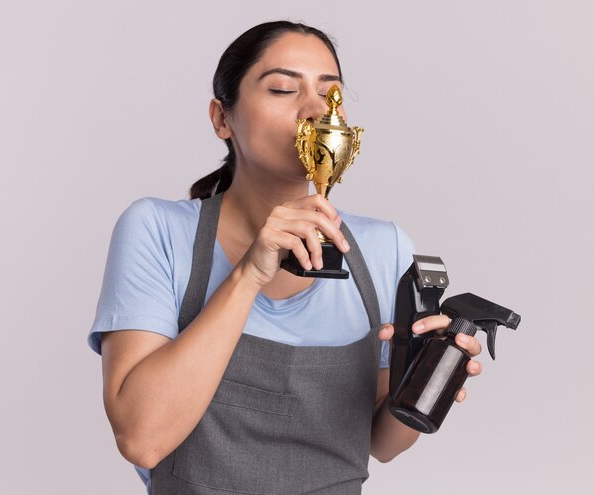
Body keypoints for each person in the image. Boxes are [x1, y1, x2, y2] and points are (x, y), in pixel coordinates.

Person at [88, 20, 483, 494]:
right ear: (221, 118)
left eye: (331, 93)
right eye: (282, 88)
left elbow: (382, 443)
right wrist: (249, 273)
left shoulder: (384, 248)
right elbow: (142, 438)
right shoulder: (158, 229)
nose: (315, 110)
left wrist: (428, 381)